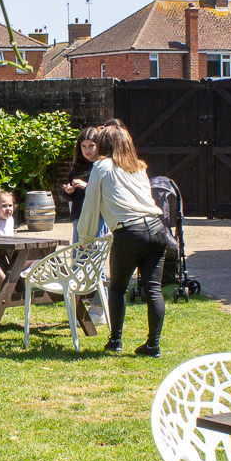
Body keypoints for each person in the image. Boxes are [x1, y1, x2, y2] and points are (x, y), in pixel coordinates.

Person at [75, 124, 172, 357]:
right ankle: (153, 345)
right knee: (153, 289)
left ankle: (115, 341)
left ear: (105, 144)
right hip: (158, 230)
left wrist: (86, 238)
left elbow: (90, 207)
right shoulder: (139, 167)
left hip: (130, 232)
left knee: (117, 288)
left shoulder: (102, 166)